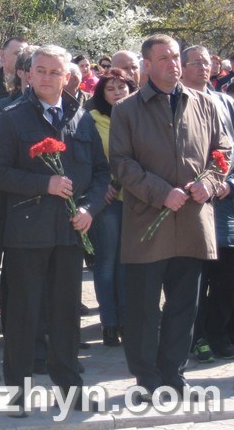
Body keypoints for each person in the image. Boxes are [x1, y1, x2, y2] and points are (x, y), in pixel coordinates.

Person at [0, 45, 109, 414]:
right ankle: (18, 392)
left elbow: (102, 173)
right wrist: (45, 185)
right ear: (28, 73)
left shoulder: (81, 117)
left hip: (71, 232)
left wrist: (89, 209)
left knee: (65, 314)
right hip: (28, 231)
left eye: (55, 72)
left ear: (67, 77)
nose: (46, 77)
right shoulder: (12, 117)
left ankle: (69, 387)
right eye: (39, 70)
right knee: (23, 315)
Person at [109, 33, 231, 401]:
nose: (173, 64)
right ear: (147, 65)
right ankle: (146, 378)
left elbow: (223, 149)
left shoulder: (204, 104)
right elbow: (122, 164)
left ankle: (173, 376)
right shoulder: (127, 109)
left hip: (194, 222)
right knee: (144, 310)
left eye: (176, 56)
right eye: (163, 58)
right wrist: (163, 192)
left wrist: (209, 183)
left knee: (183, 307)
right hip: (148, 223)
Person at [179, 46, 234, 362]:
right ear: (181, 68)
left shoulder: (226, 102)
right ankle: (195, 336)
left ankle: (219, 331)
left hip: (225, 203)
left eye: (207, 61)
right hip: (190, 202)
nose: (204, 67)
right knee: (193, 277)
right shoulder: (173, 102)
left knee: (226, 276)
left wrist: (227, 184)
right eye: (196, 62)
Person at [88, 69, 137, 346]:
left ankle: (127, 318)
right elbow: (88, 159)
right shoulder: (92, 120)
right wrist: (100, 185)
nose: (118, 92)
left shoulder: (138, 116)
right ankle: (109, 321)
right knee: (106, 261)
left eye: (123, 87)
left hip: (134, 198)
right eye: (111, 88)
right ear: (101, 94)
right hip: (106, 199)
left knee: (127, 261)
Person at [0, 37, 27, 106]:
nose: (23, 59)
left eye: (25, 55)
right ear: (2, 55)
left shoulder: (33, 88)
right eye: (17, 54)